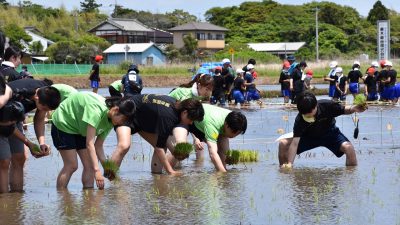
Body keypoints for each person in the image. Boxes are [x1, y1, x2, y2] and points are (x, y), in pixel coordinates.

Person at [51, 92, 136, 189]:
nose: (122, 123)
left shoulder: (111, 121)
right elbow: (90, 144)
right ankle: (62, 198)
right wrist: (97, 171)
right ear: (116, 110)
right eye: (123, 119)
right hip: (64, 123)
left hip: (81, 127)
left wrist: (107, 168)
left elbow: (98, 146)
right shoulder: (96, 111)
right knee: (72, 165)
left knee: (90, 166)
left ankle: (89, 199)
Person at [107, 95, 204, 177]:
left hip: (143, 122)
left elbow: (161, 145)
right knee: (124, 145)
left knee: (164, 145)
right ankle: (109, 177)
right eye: (191, 119)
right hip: (127, 112)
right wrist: (170, 171)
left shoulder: (178, 109)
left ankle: (156, 176)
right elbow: (159, 148)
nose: (191, 123)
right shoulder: (168, 116)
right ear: (185, 112)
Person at [278, 91, 366, 167]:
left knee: (349, 148)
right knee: (283, 143)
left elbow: (343, 110)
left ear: (316, 105)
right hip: (309, 138)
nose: (310, 116)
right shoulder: (299, 120)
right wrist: (290, 164)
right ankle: (284, 172)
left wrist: (353, 108)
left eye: (311, 113)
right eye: (306, 115)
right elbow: (295, 143)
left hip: (330, 134)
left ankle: (351, 178)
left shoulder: (327, 105)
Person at [189, 104, 247, 172]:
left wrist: (228, 156)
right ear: (227, 125)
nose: (234, 136)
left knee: (224, 151)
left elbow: (224, 146)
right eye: (233, 132)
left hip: (211, 118)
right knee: (214, 149)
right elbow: (212, 153)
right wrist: (223, 173)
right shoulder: (213, 126)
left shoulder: (233, 118)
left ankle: (223, 168)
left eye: (238, 134)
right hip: (196, 121)